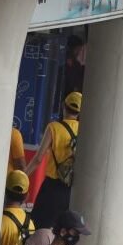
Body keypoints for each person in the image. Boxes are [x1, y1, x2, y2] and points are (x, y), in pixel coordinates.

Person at [27, 91, 81, 228]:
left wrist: (24, 175)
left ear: (64, 106)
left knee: (39, 225)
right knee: (61, 227)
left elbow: (38, 159)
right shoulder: (83, 129)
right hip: (70, 189)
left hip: (52, 187)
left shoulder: (54, 128)